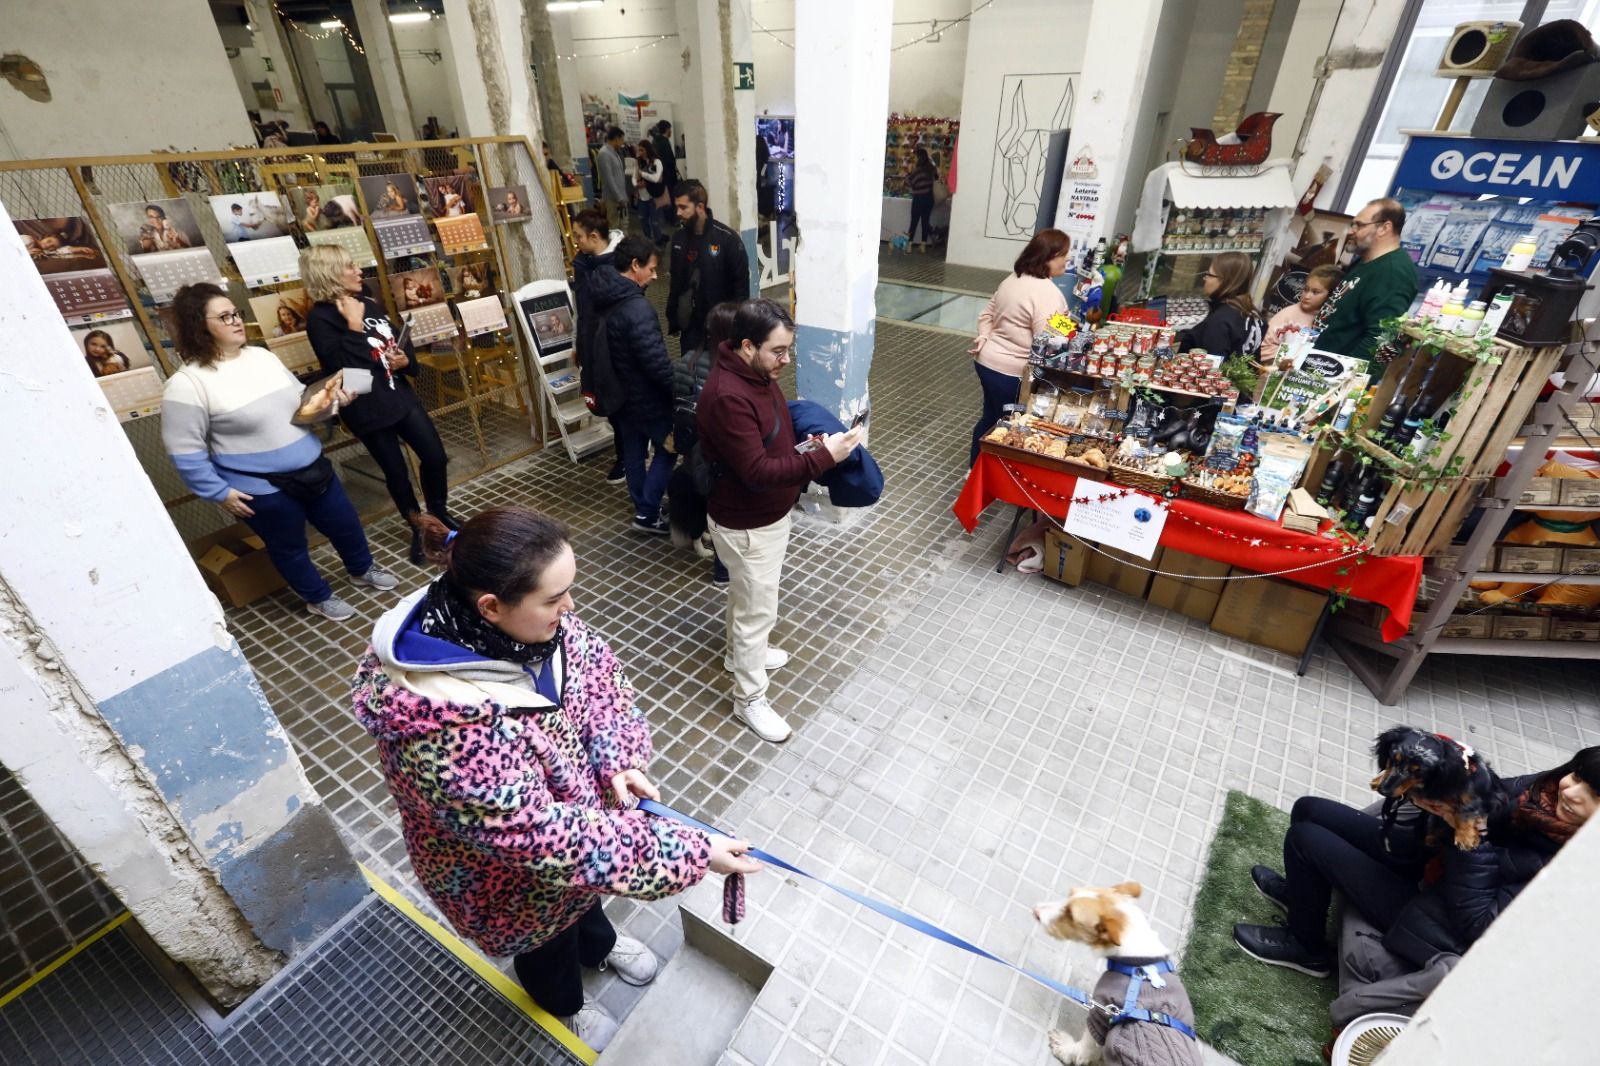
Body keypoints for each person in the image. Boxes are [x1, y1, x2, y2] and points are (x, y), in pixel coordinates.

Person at [352, 506, 762, 1052]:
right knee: (545, 943)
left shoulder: (538, 627)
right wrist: (692, 852)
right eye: (554, 598)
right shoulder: (440, 724)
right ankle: (564, 1004)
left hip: (580, 838)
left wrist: (619, 757)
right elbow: (547, 839)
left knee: (584, 904)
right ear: (492, 607)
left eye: (569, 590)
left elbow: (600, 686)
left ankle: (599, 947)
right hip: (508, 877)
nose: (570, 608)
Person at [1233, 745, 1600, 978]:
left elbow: (1478, 924)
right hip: (1429, 862)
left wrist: (1470, 832)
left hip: (1433, 919)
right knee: (1308, 808)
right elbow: (1493, 794)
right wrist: (1452, 780)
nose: (1571, 791)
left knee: (1306, 838)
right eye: (1578, 775)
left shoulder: (1571, 869)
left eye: (1593, 794)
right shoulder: (1547, 789)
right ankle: (1303, 898)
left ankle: (1307, 949)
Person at [160, 282, 399, 621]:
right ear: (199, 326)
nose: (236, 321)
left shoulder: (262, 356)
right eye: (224, 316)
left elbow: (301, 401)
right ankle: (317, 597)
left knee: (345, 523)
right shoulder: (187, 384)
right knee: (289, 547)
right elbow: (184, 451)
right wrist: (219, 492)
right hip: (260, 486)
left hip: (311, 464)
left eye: (236, 314)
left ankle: (362, 569)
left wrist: (333, 400)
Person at [697, 299, 863, 743]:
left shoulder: (754, 374)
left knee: (746, 598)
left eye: (789, 350)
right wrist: (825, 458)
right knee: (757, 611)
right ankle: (749, 698)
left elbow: (768, 441)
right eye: (779, 351)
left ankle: (738, 655)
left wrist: (808, 447)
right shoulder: (729, 394)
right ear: (747, 345)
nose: (786, 361)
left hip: (761, 518)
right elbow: (756, 472)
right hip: (749, 524)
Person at [302, 245, 456, 565]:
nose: (358, 271)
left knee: (435, 456)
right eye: (349, 266)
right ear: (329, 274)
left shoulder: (366, 301)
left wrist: (404, 360)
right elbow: (344, 369)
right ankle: (418, 528)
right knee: (396, 473)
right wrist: (355, 327)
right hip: (366, 407)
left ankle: (438, 515)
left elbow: (396, 338)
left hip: (397, 392)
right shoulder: (320, 319)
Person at [588, 236, 677, 534]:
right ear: (635, 265)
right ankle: (648, 513)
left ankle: (642, 506)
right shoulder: (637, 309)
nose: (655, 275)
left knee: (633, 453)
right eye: (651, 269)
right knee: (668, 449)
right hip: (646, 398)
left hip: (620, 395)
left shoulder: (603, 294)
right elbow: (655, 362)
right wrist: (676, 389)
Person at [968, 228, 1071, 466]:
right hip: (1012, 372)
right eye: (1064, 254)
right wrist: (1074, 334)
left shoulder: (1013, 279)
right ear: (1048, 257)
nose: (1068, 259)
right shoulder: (1046, 292)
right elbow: (1049, 339)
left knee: (990, 417)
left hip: (986, 363)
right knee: (1007, 425)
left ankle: (974, 468)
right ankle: (991, 476)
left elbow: (987, 315)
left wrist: (985, 337)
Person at [1310, 198, 1419, 365]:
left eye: (1359, 225)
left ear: (1384, 228)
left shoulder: (1393, 271)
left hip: (1335, 377)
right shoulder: (1365, 261)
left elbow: (1382, 336)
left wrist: (1343, 376)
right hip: (1318, 365)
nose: (1351, 231)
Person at [571, 209, 627, 485]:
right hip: (591, 341)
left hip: (614, 344)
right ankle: (627, 449)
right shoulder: (583, 264)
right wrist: (578, 344)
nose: (576, 241)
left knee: (622, 400)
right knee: (606, 398)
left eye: (579, 236)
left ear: (594, 236)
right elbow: (581, 310)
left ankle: (628, 454)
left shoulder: (621, 262)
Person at [667, 180, 751, 354]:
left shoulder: (728, 240)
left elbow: (741, 290)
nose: (678, 213)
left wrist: (736, 329)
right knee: (691, 375)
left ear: (700, 207)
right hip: (690, 329)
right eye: (677, 207)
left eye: (683, 207)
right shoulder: (678, 239)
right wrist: (673, 316)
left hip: (721, 331)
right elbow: (676, 281)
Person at [1177, 250, 1260, 357]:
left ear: (1225, 281)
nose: (1204, 278)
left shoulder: (1220, 321)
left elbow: (1211, 367)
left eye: (1209, 274)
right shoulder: (1251, 312)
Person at [1259, 264, 1342, 365]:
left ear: (1331, 296)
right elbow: (1264, 347)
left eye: (1315, 292)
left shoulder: (1331, 321)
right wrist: (1287, 359)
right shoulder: (1288, 315)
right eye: (1306, 289)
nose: (1307, 296)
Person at [597, 126, 631, 233]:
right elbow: (609, 179)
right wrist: (619, 197)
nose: (622, 143)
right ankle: (616, 248)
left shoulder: (615, 152)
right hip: (613, 198)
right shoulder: (604, 154)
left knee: (624, 223)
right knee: (615, 225)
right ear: (616, 139)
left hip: (620, 195)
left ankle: (624, 247)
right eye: (621, 140)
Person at [905, 148, 939, 250]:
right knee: (925, 221)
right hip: (929, 199)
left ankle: (909, 244)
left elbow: (909, 183)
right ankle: (923, 245)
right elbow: (937, 178)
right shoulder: (932, 169)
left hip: (918, 199)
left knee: (914, 222)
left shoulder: (916, 170)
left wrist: (908, 174)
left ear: (918, 157)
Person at [634, 140, 665, 245]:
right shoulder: (638, 162)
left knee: (655, 222)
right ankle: (648, 242)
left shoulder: (657, 162)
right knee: (643, 220)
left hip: (654, 196)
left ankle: (658, 242)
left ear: (648, 149)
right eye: (639, 150)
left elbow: (656, 178)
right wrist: (636, 184)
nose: (640, 152)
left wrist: (642, 174)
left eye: (642, 150)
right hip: (642, 197)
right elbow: (634, 176)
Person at [651, 121, 679, 233]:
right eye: (670, 129)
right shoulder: (664, 142)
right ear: (667, 129)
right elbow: (669, 160)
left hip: (661, 174)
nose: (671, 131)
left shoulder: (655, 141)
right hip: (669, 175)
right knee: (671, 196)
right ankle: (672, 219)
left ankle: (667, 218)